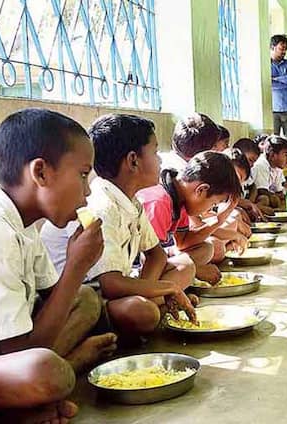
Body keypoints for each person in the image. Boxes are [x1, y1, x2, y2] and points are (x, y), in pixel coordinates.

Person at [0, 108, 119, 422]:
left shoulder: (22, 223)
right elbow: (21, 353)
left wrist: (74, 276)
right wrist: (76, 267)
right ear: (40, 172)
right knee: (46, 372)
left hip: (8, 351)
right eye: (83, 174)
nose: (88, 190)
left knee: (87, 300)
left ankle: (30, 403)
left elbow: (58, 300)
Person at [40, 114, 199, 339]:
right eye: (154, 152)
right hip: (85, 300)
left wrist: (151, 289)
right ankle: (154, 309)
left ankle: (156, 305)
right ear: (133, 160)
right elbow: (109, 284)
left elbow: (156, 255)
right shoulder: (101, 205)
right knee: (141, 312)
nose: (160, 161)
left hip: (119, 285)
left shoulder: (131, 200)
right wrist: (167, 289)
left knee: (185, 265)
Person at [137, 152, 243, 277]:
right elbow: (149, 260)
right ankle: (168, 292)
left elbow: (183, 243)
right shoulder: (159, 202)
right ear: (201, 190)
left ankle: (175, 283)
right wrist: (197, 271)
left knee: (206, 249)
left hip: (155, 261)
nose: (210, 208)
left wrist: (219, 220)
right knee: (186, 267)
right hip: (138, 271)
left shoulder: (180, 197)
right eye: (213, 203)